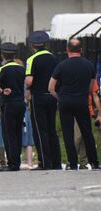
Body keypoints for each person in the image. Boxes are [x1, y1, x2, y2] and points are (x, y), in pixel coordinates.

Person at [48, 39, 99, 170]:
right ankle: (94, 162)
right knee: (87, 132)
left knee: (68, 133)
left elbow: (51, 87)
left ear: (67, 50)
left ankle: (72, 162)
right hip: (82, 101)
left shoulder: (61, 66)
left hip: (65, 101)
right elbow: (91, 85)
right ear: (81, 50)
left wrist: (60, 98)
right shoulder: (89, 65)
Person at [25, 31, 61, 170]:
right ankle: (56, 162)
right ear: (45, 44)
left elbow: (29, 81)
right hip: (52, 96)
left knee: (40, 130)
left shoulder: (31, 59)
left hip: (38, 96)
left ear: (33, 45)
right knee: (52, 129)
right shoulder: (54, 58)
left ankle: (45, 162)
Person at [0, 42, 26, 171]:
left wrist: (1, 91)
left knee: (8, 133)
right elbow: (27, 83)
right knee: (18, 132)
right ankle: (17, 161)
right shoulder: (21, 68)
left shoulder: (3, 69)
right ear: (14, 54)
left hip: (9, 104)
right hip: (20, 103)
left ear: (2, 56)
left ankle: (12, 163)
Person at [73, 78, 100, 169]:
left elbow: (94, 94)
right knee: (78, 136)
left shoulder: (90, 75)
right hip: (78, 107)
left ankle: (83, 162)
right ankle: (71, 160)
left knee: (85, 136)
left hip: (87, 109)